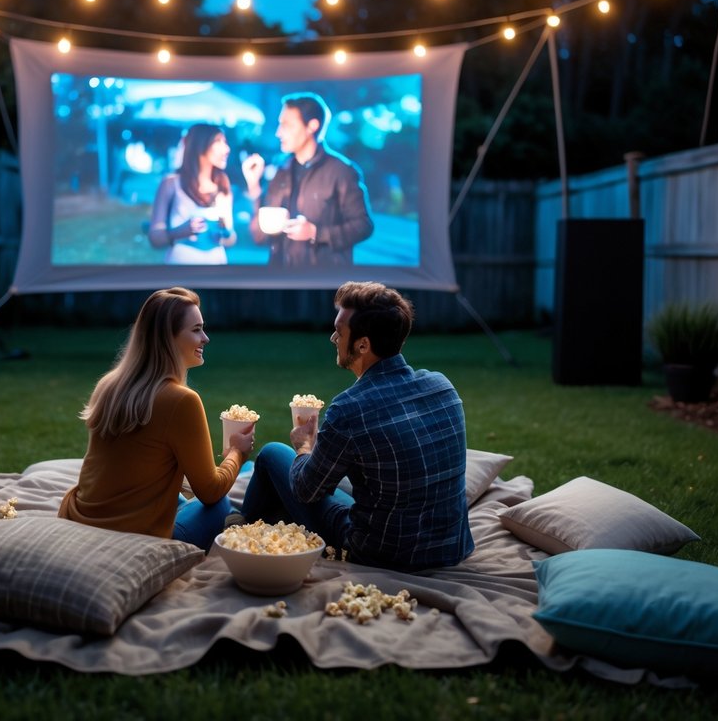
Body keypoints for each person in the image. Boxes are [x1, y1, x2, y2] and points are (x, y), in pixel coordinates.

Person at [239, 281, 475, 572]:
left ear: (363, 344)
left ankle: (239, 531)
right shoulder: (442, 386)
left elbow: (305, 491)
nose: (332, 338)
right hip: (453, 547)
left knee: (272, 454)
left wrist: (303, 446)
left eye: (339, 331)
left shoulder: (349, 409)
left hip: (382, 554)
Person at [58, 287, 254, 549]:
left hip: (80, 519)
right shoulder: (182, 401)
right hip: (135, 539)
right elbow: (210, 492)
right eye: (196, 329)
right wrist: (236, 452)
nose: (205, 338)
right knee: (222, 504)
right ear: (168, 339)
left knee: (193, 491)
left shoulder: (108, 385)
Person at [240, 92, 374, 267]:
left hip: (324, 281)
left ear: (312, 126)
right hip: (280, 277)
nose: (278, 132)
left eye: (286, 125)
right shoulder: (281, 169)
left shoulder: (342, 171)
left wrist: (316, 232)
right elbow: (260, 236)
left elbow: (363, 225)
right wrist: (254, 187)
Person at [148, 124, 237, 265]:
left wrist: (223, 232)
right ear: (200, 144)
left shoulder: (223, 184)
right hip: (180, 269)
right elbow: (155, 237)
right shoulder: (171, 183)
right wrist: (180, 232)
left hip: (216, 268)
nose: (226, 149)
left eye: (225, 142)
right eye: (218, 141)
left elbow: (231, 238)